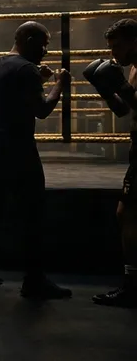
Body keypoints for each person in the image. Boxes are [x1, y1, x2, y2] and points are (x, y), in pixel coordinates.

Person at [0, 21, 72, 299]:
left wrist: (39, 80)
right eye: (43, 44)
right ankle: (34, 280)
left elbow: (11, 99)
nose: (46, 51)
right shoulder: (26, 69)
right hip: (18, 149)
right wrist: (59, 85)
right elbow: (42, 109)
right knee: (32, 212)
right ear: (28, 40)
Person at [83, 18, 137, 308]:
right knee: (126, 215)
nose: (113, 53)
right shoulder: (133, 69)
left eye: (117, 46)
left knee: (128, 215)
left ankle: (132, 286)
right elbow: (123, 110)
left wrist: (121, 87)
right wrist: (105, 89)